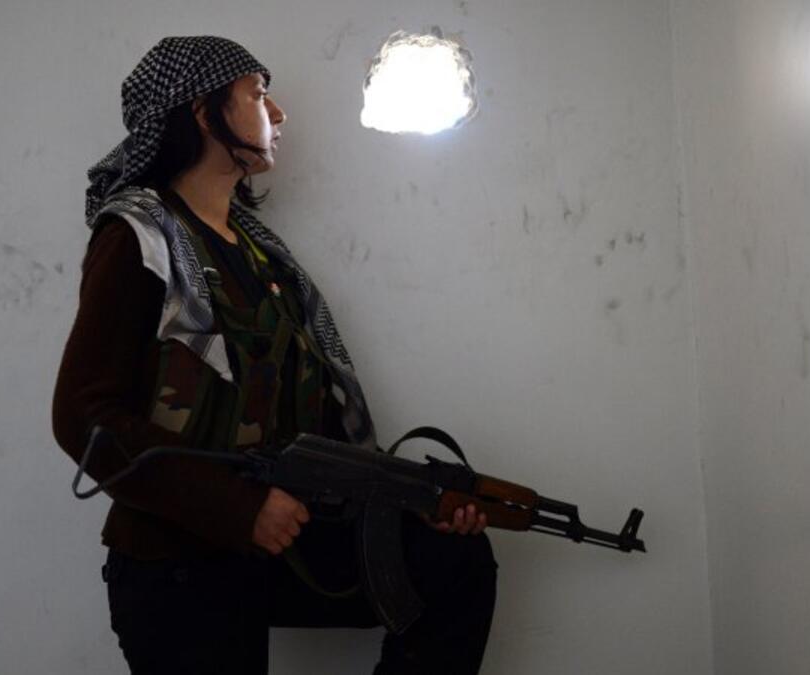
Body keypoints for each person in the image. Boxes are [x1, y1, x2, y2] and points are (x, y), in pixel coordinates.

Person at [52, 36, 498, 674]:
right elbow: (83, 416)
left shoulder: (263, 255)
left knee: (451, 561)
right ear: (204, 113)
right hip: (175, 563)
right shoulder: (138, 239)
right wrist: (239, 508)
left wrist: (411, 504)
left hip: (280, 541)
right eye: (259, 95)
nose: (280, 114)